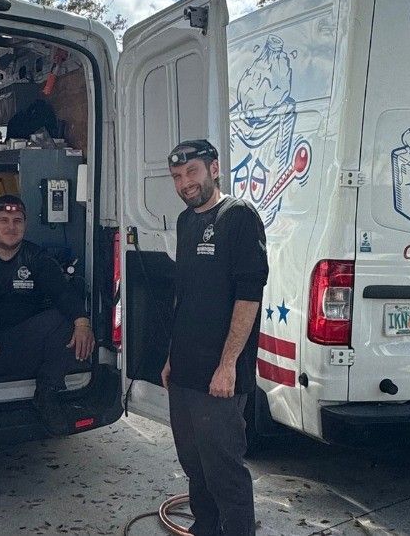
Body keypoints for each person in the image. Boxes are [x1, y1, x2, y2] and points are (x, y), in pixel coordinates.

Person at [160, 139, 269, 536]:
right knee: (193, 463)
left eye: (192, 172)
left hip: (219, 375)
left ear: (214, 169)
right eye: (177, 176)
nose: (185, 183)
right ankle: (205, 528)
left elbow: (248, 295)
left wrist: (228, 366)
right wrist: (171, 357)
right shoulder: (185, 221)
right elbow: (184, 295)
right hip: (185, 368)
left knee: (224, 470)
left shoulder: (237, 216)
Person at [0, 194, 95, 447]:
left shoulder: (37, 257)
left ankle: (46, 393)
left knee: (69, 321)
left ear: (25, 224)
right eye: (3, 220)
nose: (11, 227)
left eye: (17, 221)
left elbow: (62, 292)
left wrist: (82, 323)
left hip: (23, 344)